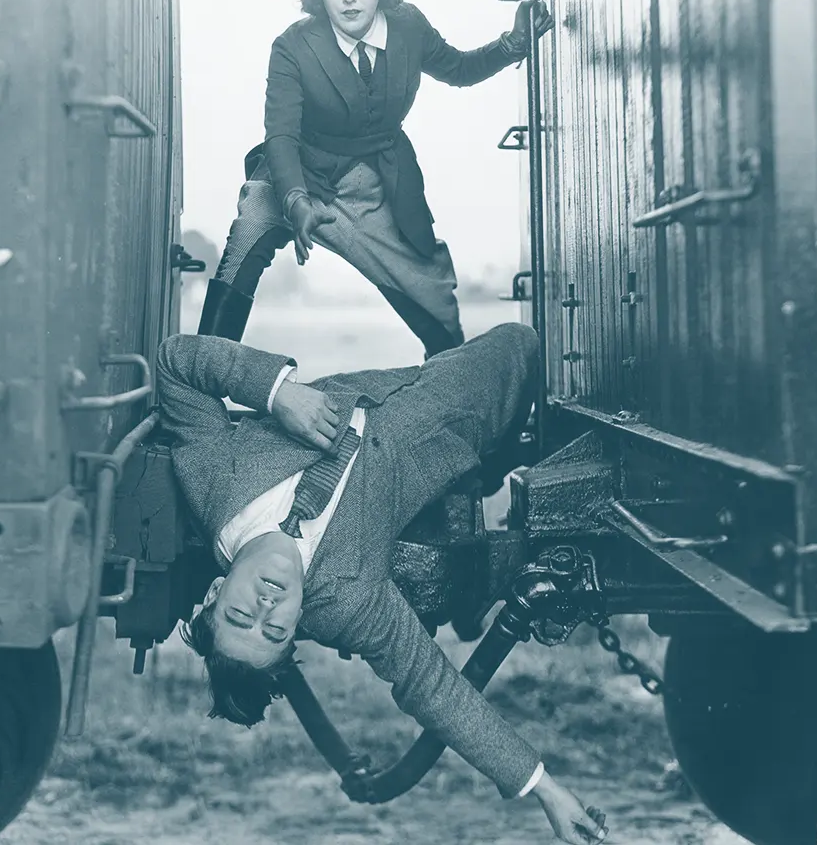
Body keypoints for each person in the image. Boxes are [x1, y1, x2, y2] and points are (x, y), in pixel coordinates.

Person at [156, 322, 608, 844]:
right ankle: (483, 464)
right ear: (297, 627)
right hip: (443, 418)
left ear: (214, 594)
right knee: (522, 342)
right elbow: (432, 689)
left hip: (383, 382)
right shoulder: (349, 605)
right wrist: (546, 788)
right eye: (274, 632)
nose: (266, 607)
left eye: (241, 617)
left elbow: (176, 363)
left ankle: (481, 459)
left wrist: (277, 393)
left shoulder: (213, 477)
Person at [197, 0, 553, 357]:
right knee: (248, 230)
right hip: (296, 173)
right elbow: (281, 136)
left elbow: (459, 68)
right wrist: (294, 200)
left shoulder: (409, 26)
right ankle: (198, 384)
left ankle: (456, 390)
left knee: (433, 288)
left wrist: (512, 44)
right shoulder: (291, 47)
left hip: (373, 178)